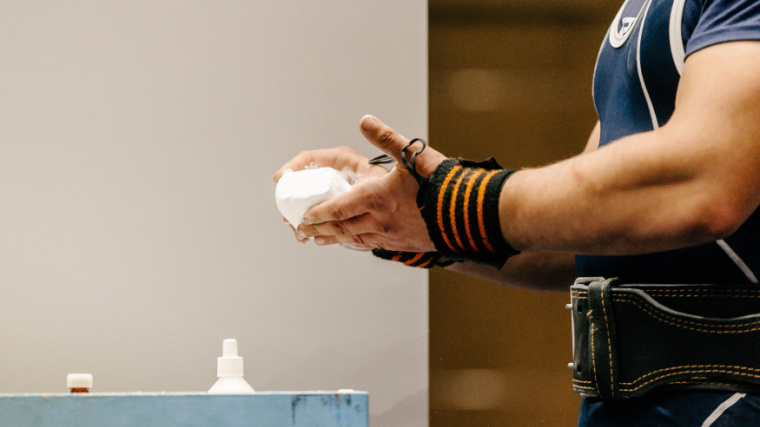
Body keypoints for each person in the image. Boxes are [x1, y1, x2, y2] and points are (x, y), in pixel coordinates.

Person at [274, 0, 760, 425]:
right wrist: (408, 219)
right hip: (636, 409)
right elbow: (584, 237)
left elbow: (705, 182)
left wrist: (458, 203)